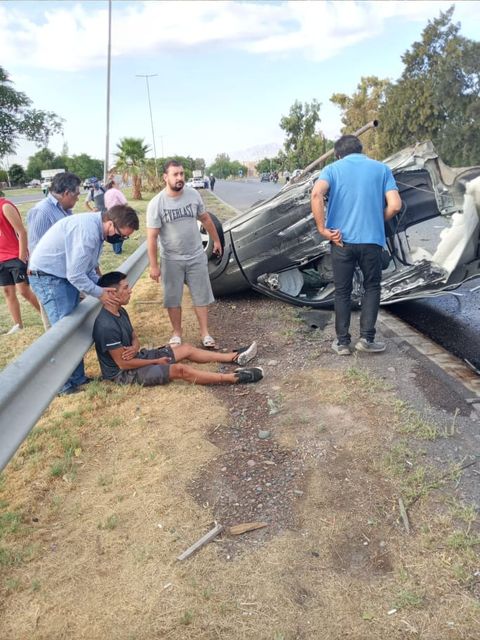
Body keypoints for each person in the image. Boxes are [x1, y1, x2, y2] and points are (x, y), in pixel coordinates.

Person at [28, 204, 139, 395]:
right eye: (121, 235)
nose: (121, 240)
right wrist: (100, 293)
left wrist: (104, 287)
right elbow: (76, 275)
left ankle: (78, 379)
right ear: (110, 224)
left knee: (74, 327)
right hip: (50, 278)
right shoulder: (88, 233)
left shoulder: (97, 231)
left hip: (61, 276)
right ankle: (64, 385)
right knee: (65, 332)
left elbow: (87, 270)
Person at [311, 135, 402, 355]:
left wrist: (323, 229)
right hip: (372, 240)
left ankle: (343, 343)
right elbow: (395, 205)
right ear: (361, 150)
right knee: (372, 287)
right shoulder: (381, 169)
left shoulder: (332, 169)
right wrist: (376, 220)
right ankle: (367, 339)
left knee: (342, 290)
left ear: (338, 154)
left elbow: (316, 194)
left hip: (341, 240)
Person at [93, 271, 263, 386]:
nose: (130, 291)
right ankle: (234, 378)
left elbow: (134, 336)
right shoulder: (106, 326)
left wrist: (135, 346)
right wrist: (155, 361)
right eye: (125, 288)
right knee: (180, 370)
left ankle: (233, 357)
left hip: (137, 358)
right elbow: (123, 363)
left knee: (186, 348)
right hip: (124, 374)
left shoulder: (120, 311)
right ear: (112, 293)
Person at [147, 159, 222, 349]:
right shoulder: (156, 203)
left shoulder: (193, 195)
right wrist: (154, 265)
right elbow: (152, 237)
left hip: (196, 255)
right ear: (165, 177)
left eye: (181, 174)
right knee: (172, 298)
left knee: (201, 295)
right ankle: (177, 333)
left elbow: (205, 218)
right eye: (175, 174)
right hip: (171, 259)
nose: (180, 177)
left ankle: (205, 333)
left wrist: (216, 240)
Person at [0, 196, 40, 334]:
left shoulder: (5, 206)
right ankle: (18, 325)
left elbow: (21, 232)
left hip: (15, 256)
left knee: (23, 291)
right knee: (7, 291)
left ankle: (47, 316)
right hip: (1, 258)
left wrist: (21, 259)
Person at [27, 172, 81, 253]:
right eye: (76, 195)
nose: (77, 199)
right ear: (66, 193)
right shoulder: (41, 212)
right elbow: (36, 249)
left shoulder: (64, 208)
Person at [104, 179, 128, 255]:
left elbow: (106, 205)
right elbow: (125, 202)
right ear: (113, 184)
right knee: (121, 231)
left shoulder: (107, 193)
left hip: (110, 213)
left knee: (113, 231)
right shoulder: (117, 192)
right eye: (117, 184)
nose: (118, 185)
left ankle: (115, 249)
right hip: (119, 213)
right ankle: (118, 250)